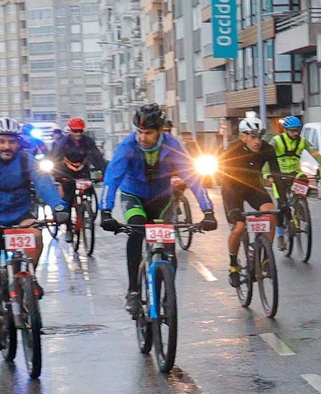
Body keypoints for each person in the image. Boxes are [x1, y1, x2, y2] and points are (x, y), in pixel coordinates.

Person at [0, 117, 68, 349]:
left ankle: (29, 276)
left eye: (12, 142)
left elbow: (43, 183)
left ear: (19, 143)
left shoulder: (27, 161)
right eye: (2, 141)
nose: (7, 146)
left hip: (19, 214)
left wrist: (58, 207)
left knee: (36, 235)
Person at [101, 103, 216, 316]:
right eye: (139, 132)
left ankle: (166, 295)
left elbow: (193, 178)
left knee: (168, 243)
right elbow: (111, 179)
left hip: (162, 198)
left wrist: (208, 211)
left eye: (148, 133)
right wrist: (105, 211)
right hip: (133, 196)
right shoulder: (127, 147)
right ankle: (133, 291)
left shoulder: (173, 145)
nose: (142, 138)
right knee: (136, 231)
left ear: (161, 131)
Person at [217, 116, 279, 289]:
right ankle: (233, 266)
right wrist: (235, 212)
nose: (257, 141)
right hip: (232, 189)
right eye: (253, 137)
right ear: (243, 136)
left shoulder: (267, 149)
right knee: (239, 227)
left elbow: (277, 176)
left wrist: (283, 202)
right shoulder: (232, 150)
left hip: (253, 187)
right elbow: (226, 179)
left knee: (270, 214)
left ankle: (264, 255)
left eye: (260, 136)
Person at [269, 114, 320, 250]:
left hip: (294, 174)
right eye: (292, 131)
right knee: (282, 206)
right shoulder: (276, 141)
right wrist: (267, 174)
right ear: (285, 130)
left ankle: (300, 205)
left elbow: (316, 155)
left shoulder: (303, 141)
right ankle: (280, 236)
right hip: (279, 175)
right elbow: (265, 156)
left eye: (297, 130)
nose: (295, 133)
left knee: (303, 178)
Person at [47, 117, 107, 210]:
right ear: (70, 130)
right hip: (65, 171)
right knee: (67, 197)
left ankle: (86, 205)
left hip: (82, 170)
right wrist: (54, 173)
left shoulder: (88, 141)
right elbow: (55, 158)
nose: (78, 134)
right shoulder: (63, 143)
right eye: (75, 131)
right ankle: (67, 218)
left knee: (88, 188)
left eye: (80, 131)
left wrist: (104, 171)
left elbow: (97, 156)